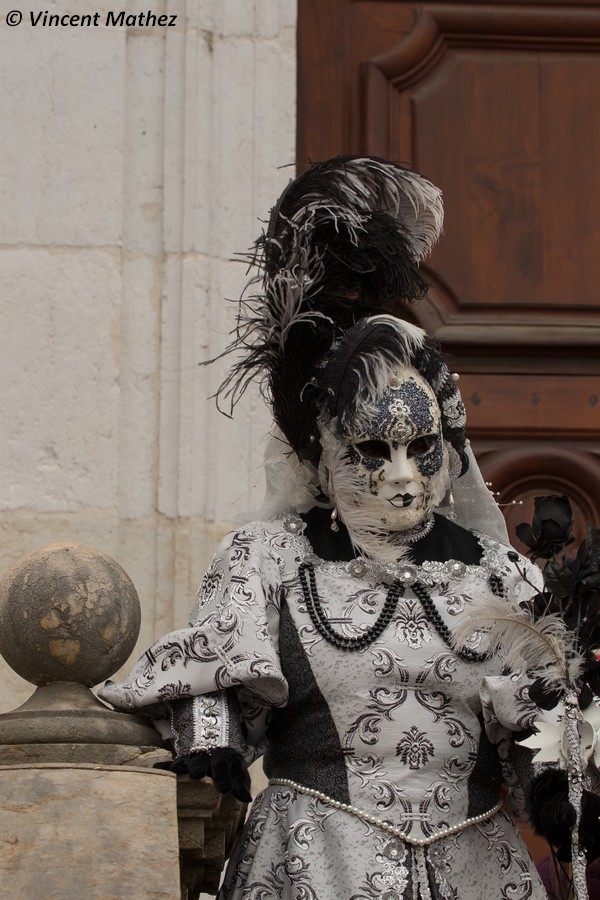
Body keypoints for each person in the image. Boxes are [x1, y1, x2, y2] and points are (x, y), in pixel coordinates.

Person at [100, 158, 575, 899]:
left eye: (422, 449)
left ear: (448, 446)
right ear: (322, 458)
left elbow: (538, 740)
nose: (402, 476)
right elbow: (213, 679)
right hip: (313, 863)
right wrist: (212, 747)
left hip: (480, 873)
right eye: (370, 451)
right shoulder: (268, 562)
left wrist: (560, 774)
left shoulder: (502, 578)